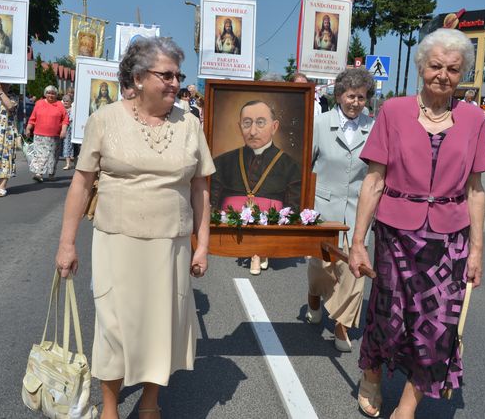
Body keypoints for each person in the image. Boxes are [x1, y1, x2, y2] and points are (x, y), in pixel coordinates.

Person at [54, 36, 214, 419]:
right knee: (114, 327)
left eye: (179, 75)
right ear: (140, 77)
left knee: (161, 327)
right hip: (117, 239)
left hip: (170, 243)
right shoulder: (104, 120)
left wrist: (202, 244)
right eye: (167, 75)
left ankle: (149, 403)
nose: (176, 83)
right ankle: (109, 406)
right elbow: (81, 182)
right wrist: (67, 244)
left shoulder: (190, 125)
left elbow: (201, 186)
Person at [348, 28, 485, 418]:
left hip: (449, 240)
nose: (443, 75)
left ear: (463, 75)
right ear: (420, 67)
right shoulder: (393, 111)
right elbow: (374, 180)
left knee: (438, 325)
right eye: (435, 66)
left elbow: (475, 190)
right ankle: (373, 375)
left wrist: (477, 250)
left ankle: (407, 406)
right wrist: (358, 241)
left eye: (453, 69)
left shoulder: (474, 119)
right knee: (387, 314)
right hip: (395, 232)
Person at [305, 67, 375, 352]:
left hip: (358, 210)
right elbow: (305, 165)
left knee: (354, 270)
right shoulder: (319, 124)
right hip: (322, 209)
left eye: (361, 97)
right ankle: (314, 294)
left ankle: (342, 325)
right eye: (350, 96)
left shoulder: (374, 126)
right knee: (321, 267)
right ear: (338, 96)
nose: (355, 102)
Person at [210, 100, 301, 275]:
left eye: (260, 123)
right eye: (247, 124)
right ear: (239, 127)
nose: (252, 131)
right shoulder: (222, 162)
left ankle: (260, 251)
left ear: (274, 127)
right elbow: (212, 200)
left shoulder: (291, 166)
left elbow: (294, 206)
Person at [25, 85, 69, 182]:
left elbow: (65, 119)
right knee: (41, 155)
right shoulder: (39, 103)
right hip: (39, 135)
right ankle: (38, 173)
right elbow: (33, 118)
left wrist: (63, 130)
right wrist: (28, 128)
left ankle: (51, 173)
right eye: (49, 93)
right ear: (45, 94)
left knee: (53, 155)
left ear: (56, 95)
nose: (51, 95)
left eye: (53, 93)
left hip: (54, 136)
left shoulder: (59, 105)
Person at [61, 95, 75, 170]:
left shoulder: (74, 109)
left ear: (70, 102)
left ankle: (72, 161)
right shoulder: (61, 109)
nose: (66, 102)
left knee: (72, 145)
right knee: (65, 145)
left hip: (72, 129)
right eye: (64, 101)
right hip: (64, 129)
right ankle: (68, 163)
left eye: (67, 101)